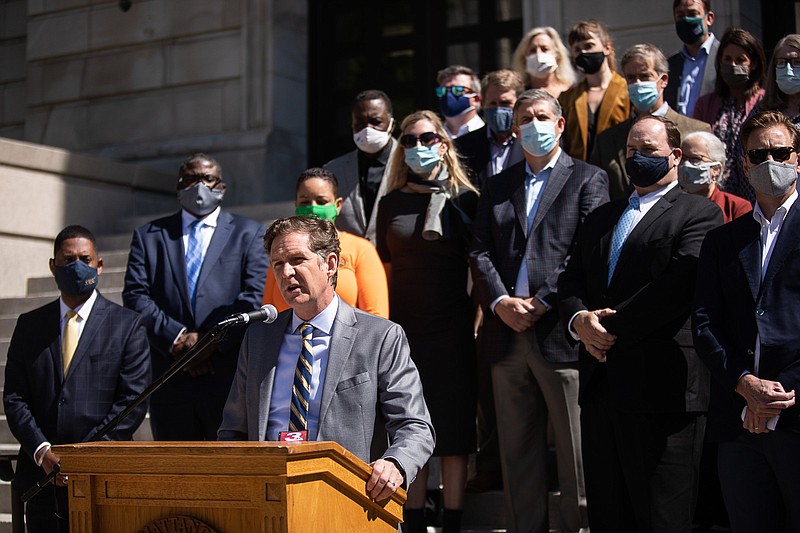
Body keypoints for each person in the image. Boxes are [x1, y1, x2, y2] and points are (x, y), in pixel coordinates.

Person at [559, 115, 723, 532]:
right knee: (609, 515)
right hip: (602, 391)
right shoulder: (602, 218)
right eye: (631, 151)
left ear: (676, 155)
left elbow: (678, 284)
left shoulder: (697, 212)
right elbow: (571, 277)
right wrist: (580, 320)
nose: (637, 158)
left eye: (648, 150)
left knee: (661, 518)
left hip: (663, 393)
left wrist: (609, 330)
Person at [218, 216, 434, 504]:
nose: (286, 272)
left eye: (297, 260)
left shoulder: (380, 337)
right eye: (278, 264)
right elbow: (233, 430)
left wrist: (395, 464)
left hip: (348, 498)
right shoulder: (258, 338)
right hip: (269, 499)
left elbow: (415, 426)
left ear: (330, 264)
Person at [470, 88, 609, 533]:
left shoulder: (588, 178)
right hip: (506, 335)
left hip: (562, 333)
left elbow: (587, 249)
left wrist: (545, 299)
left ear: (561, 123)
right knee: (517, 456)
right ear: (514, 129)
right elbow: (480, 251)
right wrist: (499, 302)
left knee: (576, 454)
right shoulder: (497, 185)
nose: (534, 124)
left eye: (542, 116)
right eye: (524, 118)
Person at [693, 110, 800, 533]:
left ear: (798, 157)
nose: (771, 161)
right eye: (760, 154)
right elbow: (705, 323)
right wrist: (744, 384)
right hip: (738, 423)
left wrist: (775, 399)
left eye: (781, 152)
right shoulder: (723, 240)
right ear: (745, 165)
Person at [5, 225, 151, 532]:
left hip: (103, 479)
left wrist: (83, 457)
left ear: (100, 265)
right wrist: (42, 451)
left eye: (85, 258)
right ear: (52, 266)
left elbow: (132, 402)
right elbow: (15, 397)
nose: (77, 266)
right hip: (40, 481)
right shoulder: (30, 325)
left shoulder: (127, 325)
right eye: (68, 259)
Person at [376, 110, 478, 533]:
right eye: (410, 140)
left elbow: (480, 267)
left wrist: (476, 321)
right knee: (407, 425)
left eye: (428, 138)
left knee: (453, 431)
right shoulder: (390, 203)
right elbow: (381, 266)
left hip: (453, 328)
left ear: (444, 142)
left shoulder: (466, 199)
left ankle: (452, 522)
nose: (419, 146)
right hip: (403, 331)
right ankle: (413, 521)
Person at [123, 153, 269, 441]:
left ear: (222, 187)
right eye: (191, 179)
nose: (199, 186)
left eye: (208, 179)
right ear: (179, 185)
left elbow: (252, 295)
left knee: (228, 473)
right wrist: (177, 339)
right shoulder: (149, 236)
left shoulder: (249, 233)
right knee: (176, 473)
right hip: (170, 375)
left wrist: (210, 341)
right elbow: (136, 295)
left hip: (226, 376)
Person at [262, 167, 389, 318]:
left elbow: (376, 316)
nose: (313, 208)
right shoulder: (283, 252)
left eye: (321, 201)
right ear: (296, 205)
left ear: (338, 205)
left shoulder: (360, 249)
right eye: (305, 201)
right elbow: (268, 311)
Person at [590, 43, 711, 200]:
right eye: (631, 78)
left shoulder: (697, 131)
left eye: (645, 76)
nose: (638, 83)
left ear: (664, 80)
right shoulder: (606, 140)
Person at [725, 34, 800, 202]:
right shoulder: (761, 111)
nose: (788, 69)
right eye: (781, 63)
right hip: (762, 206)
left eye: (796, 62)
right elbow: (740, 157)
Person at [693, 28, 766, 202]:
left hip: (755, 192)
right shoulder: (705, 104)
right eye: (727, 59)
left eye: (740, 60)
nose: (733, 65)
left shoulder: (765, 102)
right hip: (717, 196)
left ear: (753, 63)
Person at [324, 90, 398, 244]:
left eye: (376, 121)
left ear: (391, 125)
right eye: (359, 123)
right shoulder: (333, 171)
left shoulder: (409, 164)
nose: (367, 129)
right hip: (349, 263)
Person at [560, 19, 631, 161]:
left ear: (607, 48)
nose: (583, 52)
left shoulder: (627, 91)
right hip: (579, 174)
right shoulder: (567, 97)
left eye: (589, 45)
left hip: (617, 175)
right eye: (577, 49)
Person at [456, 69, 526, 189]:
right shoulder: (462, 147)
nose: (498, 109)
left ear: (519, 104)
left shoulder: (532, 143)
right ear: (483, 104)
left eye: (505, 103)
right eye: (492, 103)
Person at [679, 131, 752, 222]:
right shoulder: (672, 205)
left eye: (695, 158)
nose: (686, 164)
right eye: (683, 158)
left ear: (716, 169)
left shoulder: (736, 208)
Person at [665, 0, 719, 116]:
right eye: (680, 16)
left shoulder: (724, 57)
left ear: (709, 18)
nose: (686, 20)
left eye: (692, 14)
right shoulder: (670, 65)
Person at [512, 26, 576, 99]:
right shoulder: (517, 95)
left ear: (557, 56)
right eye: (532, 50)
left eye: (544, 49)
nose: (538, 54)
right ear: (524, 58)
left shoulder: (572, 91)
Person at [436, 65, 485, 139]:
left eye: (457, 90)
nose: (448, 95)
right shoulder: (433, 137)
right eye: (442, 90)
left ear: (476, 99)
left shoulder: (487, 135)